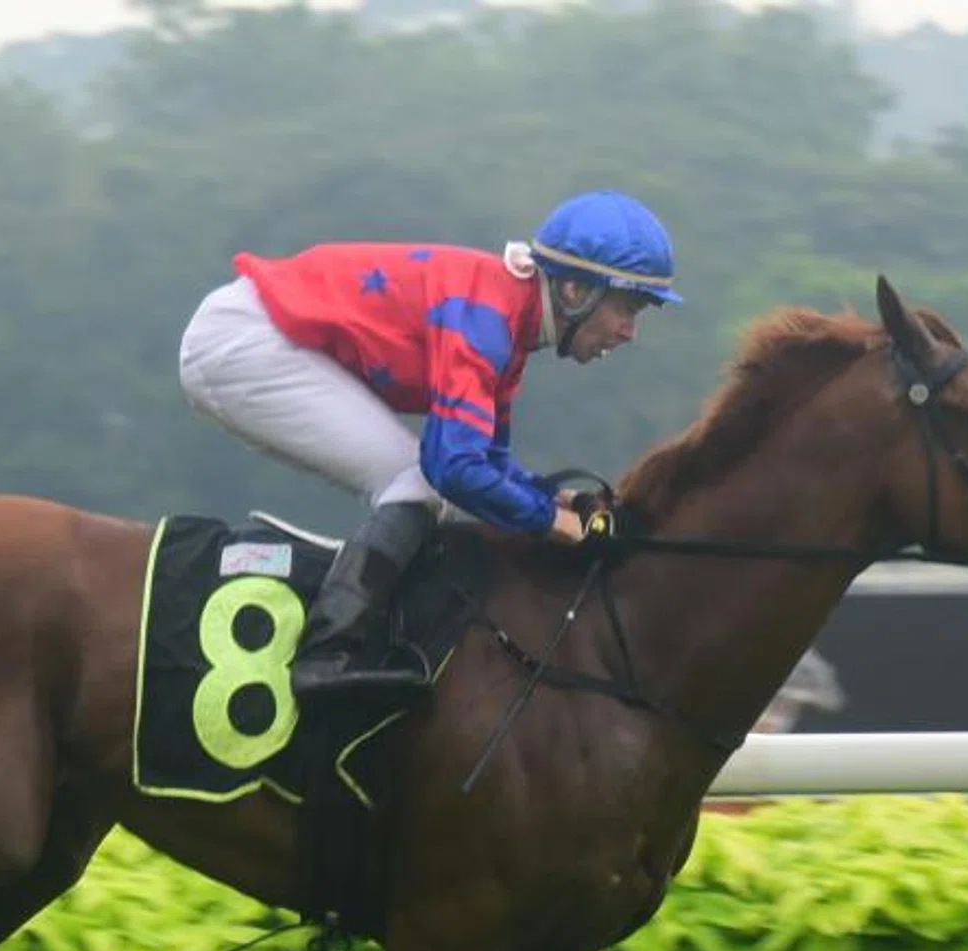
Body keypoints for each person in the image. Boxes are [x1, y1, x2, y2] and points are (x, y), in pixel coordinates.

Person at [177, 188, 682, 700]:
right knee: (416, 484)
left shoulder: (505, 321)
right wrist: (554, 524)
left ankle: (345, 637)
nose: (629, 332)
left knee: (422, 485)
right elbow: (454, 469)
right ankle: (329, 654)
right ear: (575, 291)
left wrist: (559, 500)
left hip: (250, 336)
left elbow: (486, 461)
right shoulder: (485, 319)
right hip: (245, 341)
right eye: (628, 307)